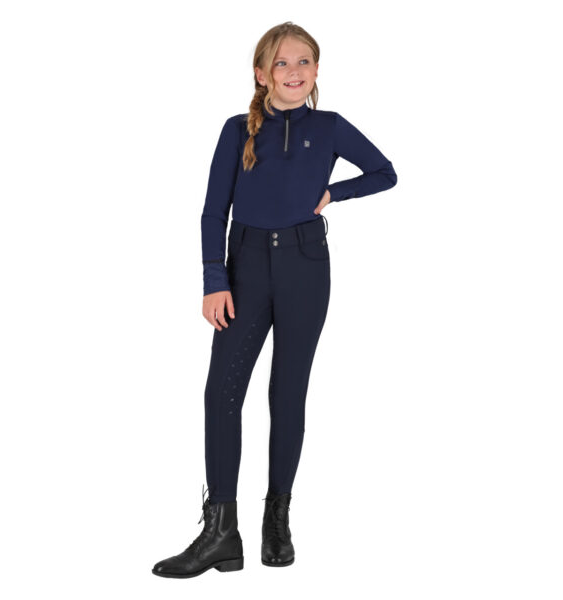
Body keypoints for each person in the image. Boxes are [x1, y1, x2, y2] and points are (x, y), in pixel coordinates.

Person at [152, 21, 397, 579]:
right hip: (245, 268)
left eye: (303, 61)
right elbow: (213, 210)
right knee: (222, 392)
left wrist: (334, 192)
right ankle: (221, 532)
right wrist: (214, 278)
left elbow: (385, 173)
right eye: (281, 63)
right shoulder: (237, 130)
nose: (293, 71)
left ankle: (276, 520)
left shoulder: (330, 127)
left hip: (305, 267)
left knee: (288, 394)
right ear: (261, 74)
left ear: (317, 70)